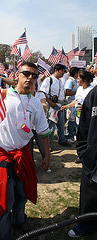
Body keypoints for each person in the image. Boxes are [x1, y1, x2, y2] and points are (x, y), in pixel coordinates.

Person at [0, 62, 51, 240]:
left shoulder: (36, 103)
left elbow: (43, 131)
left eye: (34, 76)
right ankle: (1, 235)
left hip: (24, 153)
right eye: (26, 74)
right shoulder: (2, 95)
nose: (30, 78)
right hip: (2, 155)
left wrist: (47, 155)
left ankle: (19, 219)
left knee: (21, 193)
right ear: (17, 75)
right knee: (3, 198)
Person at [68, 85, 97, 238]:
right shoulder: (94, 94)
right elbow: (84, 125)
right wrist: (85, 152)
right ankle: (86, 225)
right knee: (90, 196)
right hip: (93, 159)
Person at [61, 70, 93, 163]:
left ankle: (88, 157)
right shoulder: (79, 89)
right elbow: (76, 101)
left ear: (85, 79)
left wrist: (85, 108)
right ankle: (81, 155)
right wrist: (67, 106)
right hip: (79, 118)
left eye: (79, 79)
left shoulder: (92, 90)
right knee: (80, 139)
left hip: (88, 120)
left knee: (88, 139)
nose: (77, 81)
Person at [40, 63, 70, 147]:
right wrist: (51, 103)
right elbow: (43, 93)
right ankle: (48, 144)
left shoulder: (60, 81)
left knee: (61, 124)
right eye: (62, 71)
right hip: (52, 106)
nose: (64, 73)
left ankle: (62, 140)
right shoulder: (49, 80)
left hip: (60, 105)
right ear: (56, 70)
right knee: (51, 125)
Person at [64, 67, 79, 142]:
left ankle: (72, 134)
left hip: (75, 102)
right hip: (70, 101)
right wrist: (77, 92)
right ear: (76, 73)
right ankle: (68, 135)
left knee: (74, 119)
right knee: (71, 119)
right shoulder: (70, 81)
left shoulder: (75, 81)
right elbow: (67, 92)